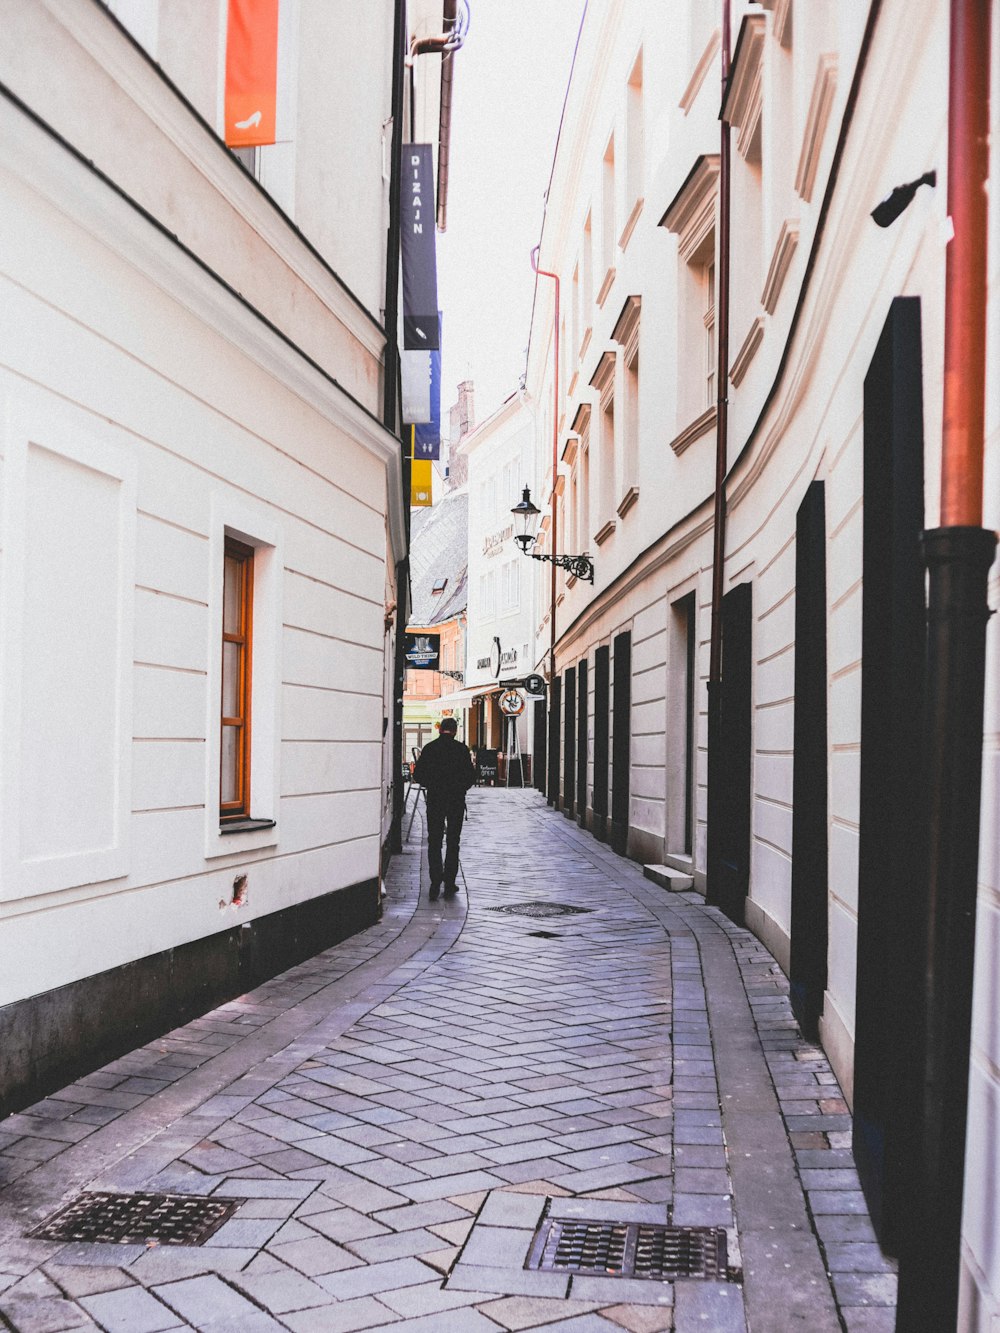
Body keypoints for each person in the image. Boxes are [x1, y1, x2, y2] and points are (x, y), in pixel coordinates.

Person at [412, 718, 476, 899]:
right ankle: (449, 882)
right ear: (455, 731)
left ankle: (434, 882)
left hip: (435, 800)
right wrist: (460, 788)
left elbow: (418, 774)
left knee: (434, 841)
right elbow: (471, 776)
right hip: (455, 800)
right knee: (453, 841)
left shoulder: (430, 749)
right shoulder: (461, 750)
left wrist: (432, 785)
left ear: (440, 730)